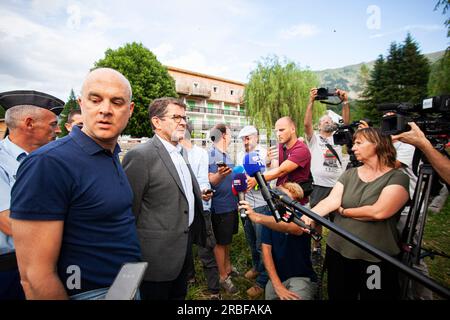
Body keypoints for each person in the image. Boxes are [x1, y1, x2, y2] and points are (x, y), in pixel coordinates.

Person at [10, 68, 141, 299]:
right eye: (95, 99)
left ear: (129, 110)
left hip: (124, 286)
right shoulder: (48, 163)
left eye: (117, 102)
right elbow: (34, 276)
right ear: (81, 104)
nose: (105, 110)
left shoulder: (110, 154)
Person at [303, 127, 410, 300]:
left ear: (378, 145)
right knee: (339, 295)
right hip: (338, 250)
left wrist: (344, 211)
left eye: (359, 143)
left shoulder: (397, 177)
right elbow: (331, 201)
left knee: (373, 297)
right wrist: (309, 215)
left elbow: (379, 211)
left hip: (374, 258)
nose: (353, 148)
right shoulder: (350, 173)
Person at [123, 97, 206, 300]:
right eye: (176, 117)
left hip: (181, 252)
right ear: (156, 122)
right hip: (154, 261)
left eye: (184, 117)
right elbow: (128, 213)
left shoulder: (180, 153)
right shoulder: (141, 156)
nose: (183, 122)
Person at [0, 90, 63, 300]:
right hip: (9, 268)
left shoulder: (50, 160)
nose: (57, 129)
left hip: (50, 262)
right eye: (53, 124)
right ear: (29, 123)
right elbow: (8, 222)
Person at [239, 182, 317, 300]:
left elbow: (295, 229)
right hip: (278, 278)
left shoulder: (303, 217)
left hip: (301, 277)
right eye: (276, 195)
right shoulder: (270, 217)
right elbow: (266, 253)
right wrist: (277, 285)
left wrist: (257, 217)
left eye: (283, 197)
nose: (278, 200)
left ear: (295, 202)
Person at [304, 88, 350, 258]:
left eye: (330, 120)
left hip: (337, 186)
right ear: (319, 125)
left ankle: (337, 248)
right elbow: (307, 124)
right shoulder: (314, 138)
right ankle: (316, 247)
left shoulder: (338, 137)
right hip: (318, 185)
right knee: (316, 219)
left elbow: (346, 123)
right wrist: (311, 101)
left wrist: (344, 102)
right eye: (324, 120)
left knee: (338, 219)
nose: (328, 122)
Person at [180, 123, 221, 300]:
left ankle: (214, 291)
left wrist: (205, 194)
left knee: (206, 248)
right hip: (179, 210)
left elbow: (204, 179)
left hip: (201, 209)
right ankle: (189, 278)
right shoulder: (171, 154)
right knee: (183, 248)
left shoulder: (201, 154)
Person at [235, 125, 270, 298]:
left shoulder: (265, 154)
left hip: (262, 205)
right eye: (243, 139)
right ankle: (257, 267)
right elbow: (238, 178)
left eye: (248, 138)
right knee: (251, 240)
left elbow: (269, 179)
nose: (245, 142)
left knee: (261, 244)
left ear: (256, 137)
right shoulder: (240, 155)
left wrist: (254, 180)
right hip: (245, 204)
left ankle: (263, 280)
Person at [247, 116, 312, 205]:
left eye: (281, 130)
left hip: (297, 203)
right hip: (281, 198)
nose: (278, 134)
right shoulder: (280, 146)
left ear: (293, 129)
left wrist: (257, 180)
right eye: (276, 131)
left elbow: (281, 171)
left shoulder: (301, 149)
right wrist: (268, 160)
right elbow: (273, 168)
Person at [208, 123, 239, 294]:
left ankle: (227, 267)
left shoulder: (225, 154)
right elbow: (210, 179)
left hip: (230, 204)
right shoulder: (212, 154)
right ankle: (222, 276)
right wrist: (220, 174)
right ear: (223, 135)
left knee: (227, 240)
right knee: (220, 242)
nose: (231, 135)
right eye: (230, 132)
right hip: (220, 207)